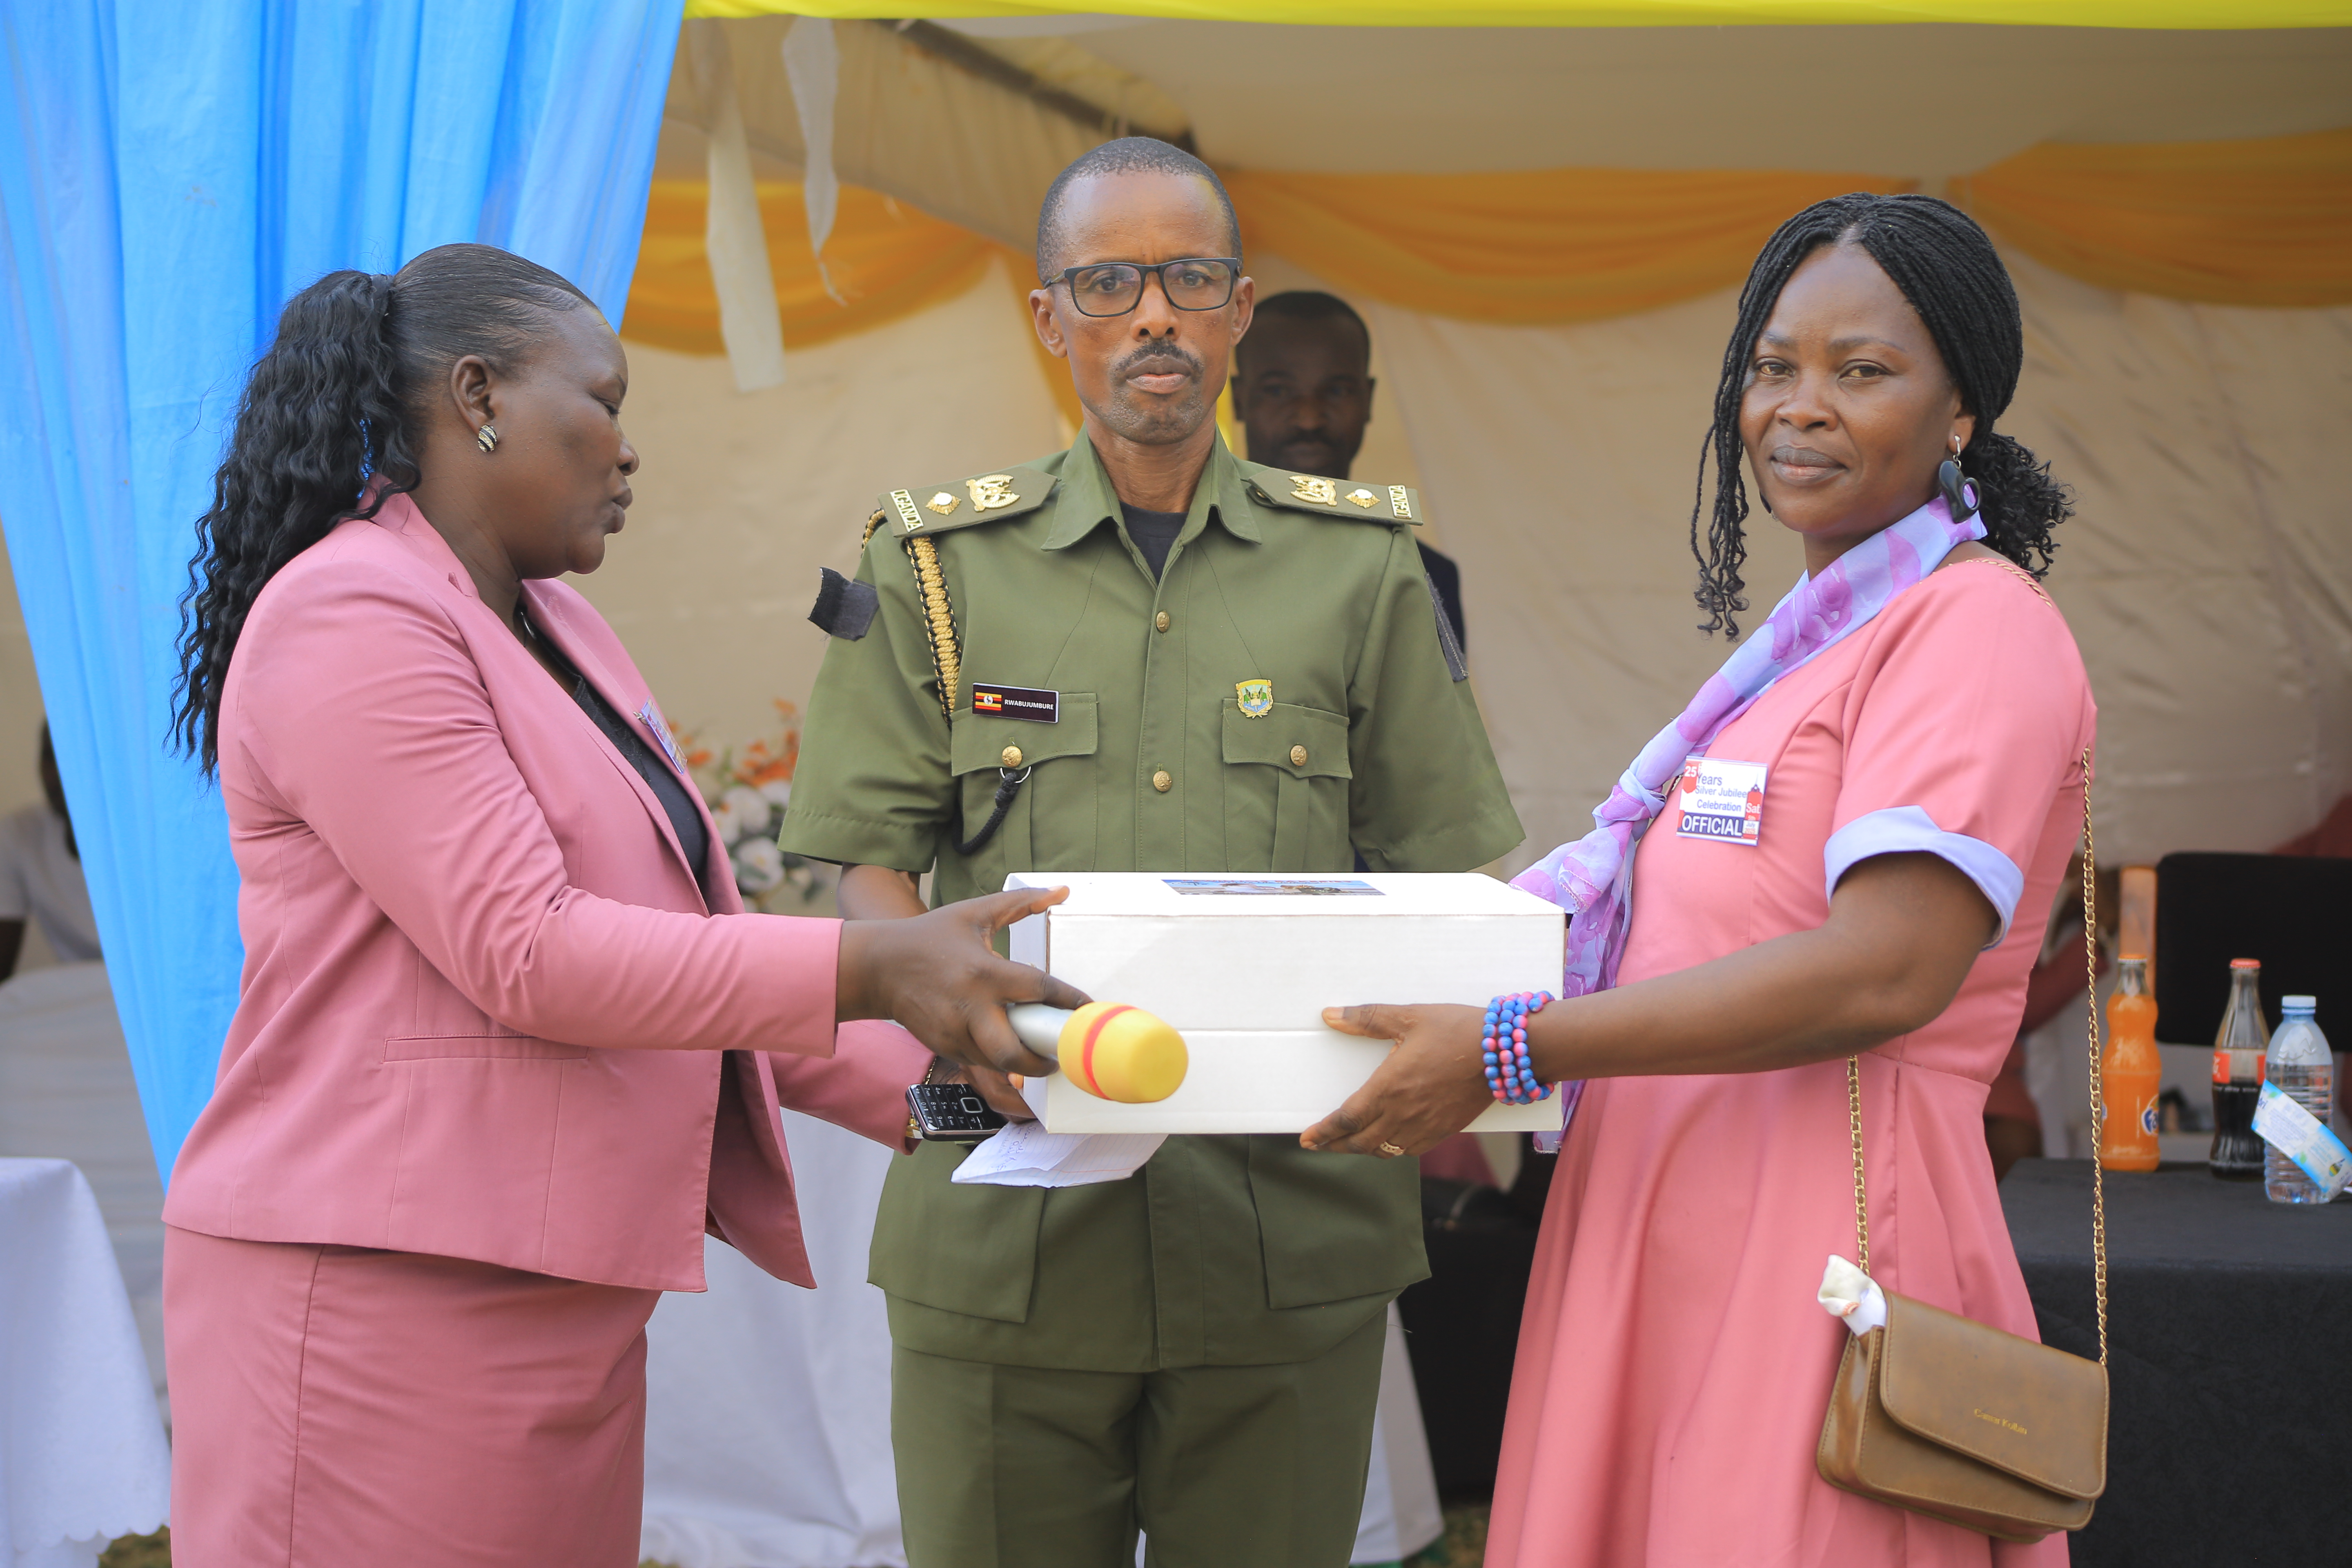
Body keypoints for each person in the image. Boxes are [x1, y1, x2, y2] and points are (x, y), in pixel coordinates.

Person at [158, 243, 1082, 1568]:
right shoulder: (353, 612)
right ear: (476, 395)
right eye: (604, 400)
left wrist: (953, 1087)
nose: (629, 451)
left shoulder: (556, 627)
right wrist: (874, 964)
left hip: (549, 1305)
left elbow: (679, 957)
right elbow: (530, 951)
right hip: (381, 1299)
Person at [1302, 194, 2091, 1567]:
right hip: (1654, 1217)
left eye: (1863, 371)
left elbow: (1884, 968)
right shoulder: (1800, 654)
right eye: (1773, 366)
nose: (1799, 406)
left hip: (1826, 1237)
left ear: (1963, 408)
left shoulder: (1976, 630)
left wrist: (1509, 1045)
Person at [779, 138, 1522, 1567]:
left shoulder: (1363, 569)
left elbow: (1449, 876)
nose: (1154, 318)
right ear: (1051, 319)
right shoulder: (933, 569)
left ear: (1239, 309)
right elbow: (863, 857)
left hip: (1286, 1231)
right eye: (1109, 282)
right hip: (1010, 1228)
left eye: (1188, 279)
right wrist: (932, 988)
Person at [1231, 289, 1465, 651]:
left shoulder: (1422, 575)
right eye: (1278, 391)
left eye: (1336, 391)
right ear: (1239, 399)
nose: (1309, 418)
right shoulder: (1187, 555)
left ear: (1368, 400)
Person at [0, 722, 100, 977]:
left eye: (71, 755)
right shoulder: (21, 834)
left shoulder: (151, 837)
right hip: (79, 999)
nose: (57, 773)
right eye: (49, 755)